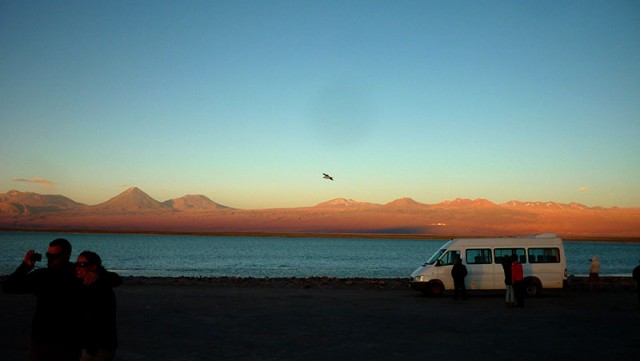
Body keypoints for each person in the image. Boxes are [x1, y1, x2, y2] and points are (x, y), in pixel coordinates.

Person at [2, 238, 81, 361]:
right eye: (48, 255)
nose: (50, 259)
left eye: (55, 256)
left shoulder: (42, 276)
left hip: (45, 339)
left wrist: (25, 266)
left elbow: (9, 286)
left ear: (67, 255)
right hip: (68, 339)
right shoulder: (78, 273)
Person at [75, 251, 122, 361]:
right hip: (87, 345)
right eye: (76, 265)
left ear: (93, 267)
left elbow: (116, 279)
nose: (78, 268)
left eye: (82, 265)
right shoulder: (80, 283)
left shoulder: (101, 285)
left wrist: (100, 275)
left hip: (96, 347)